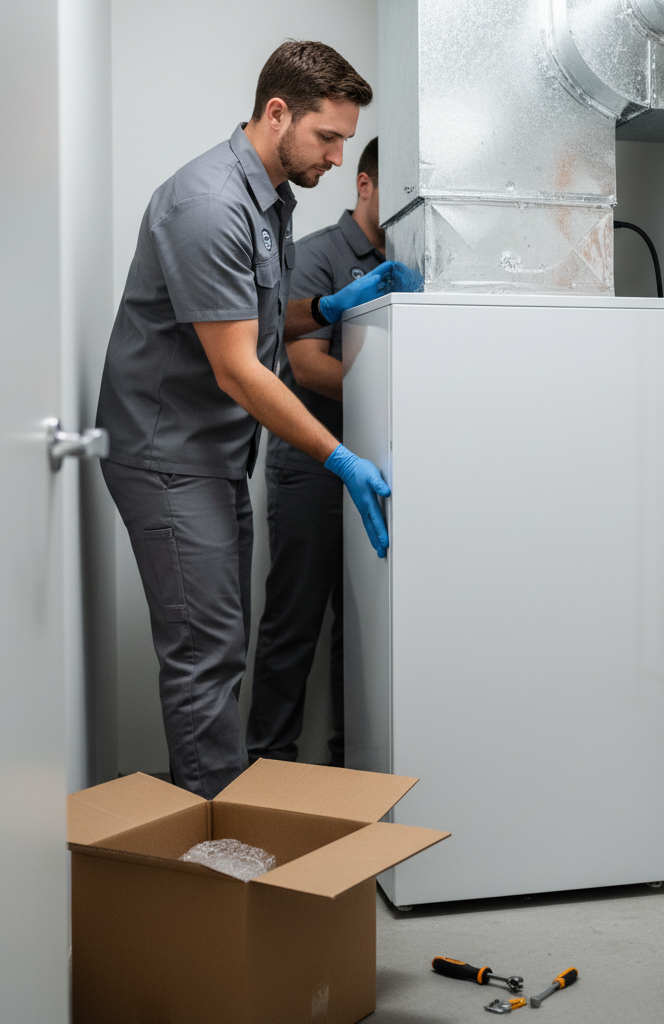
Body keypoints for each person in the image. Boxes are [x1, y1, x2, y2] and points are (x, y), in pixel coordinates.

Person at [96, 42, 410, 799]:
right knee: (205, 657)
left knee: (221, 647)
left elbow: (257, 313)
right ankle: (221, 867)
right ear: (277, 114)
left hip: (211, 455)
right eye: (328, 138)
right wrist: (339, 456)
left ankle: (219, 823)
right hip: (167, 455)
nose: (338, 158)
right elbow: (238, 367)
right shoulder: (208, 204)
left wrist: (323, 308)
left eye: (343, 140)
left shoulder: (270, 196)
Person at [246, 138, 384, 768]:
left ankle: (351, 770)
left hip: (377, 462)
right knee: (295, 622)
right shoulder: (322, 255)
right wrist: (387, 361)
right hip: (313, 462)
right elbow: (309, 369)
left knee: (362, 629)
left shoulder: (413, 259)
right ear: (364, 186)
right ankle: (268, 767)